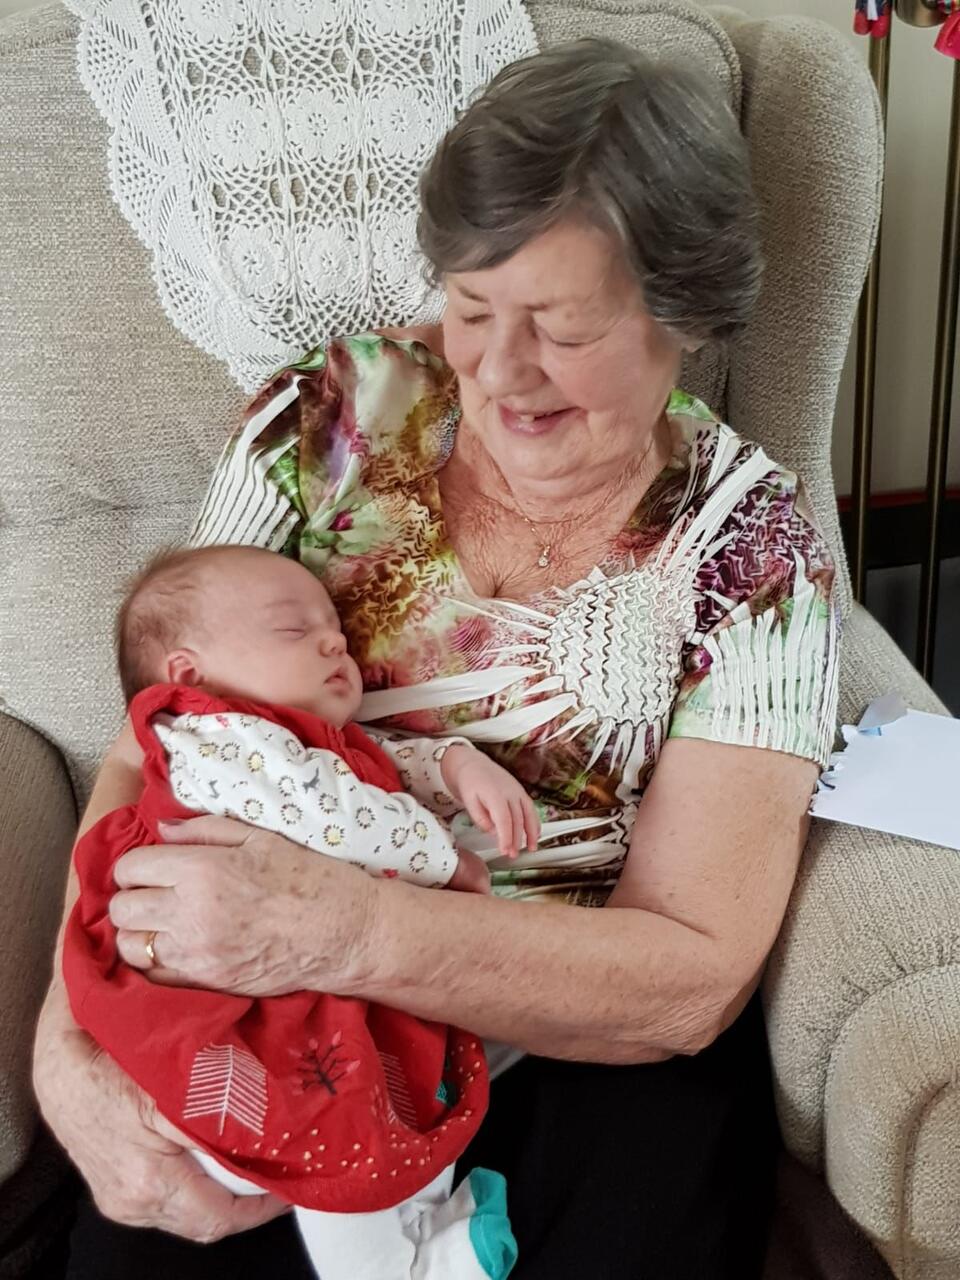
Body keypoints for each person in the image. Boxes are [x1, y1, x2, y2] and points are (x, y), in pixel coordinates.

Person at [34, 38, 840, 1280]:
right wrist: (67, 1045)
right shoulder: (329, 418)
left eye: (561, 328)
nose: (498, 372)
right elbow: (163, 728)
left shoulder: (755, 550)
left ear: (682, 309)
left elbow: (689, 971)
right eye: (470, 307)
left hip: (569, 1028)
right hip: (259, 1007)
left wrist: (347, 929)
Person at [64, 543, 536, 1279]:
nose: (333, 640)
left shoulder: (291, 738)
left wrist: (453, 763)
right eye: (294, 630)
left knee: (394, 1083)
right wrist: (446, 861)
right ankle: (393, 1269)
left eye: (336, 630)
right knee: (336, 1127)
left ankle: (423, 1220)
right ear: (188, 674)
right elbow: (336, 814)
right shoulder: (213, 739)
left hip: (309, 982)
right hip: (250, 1021)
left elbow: (367, 765)